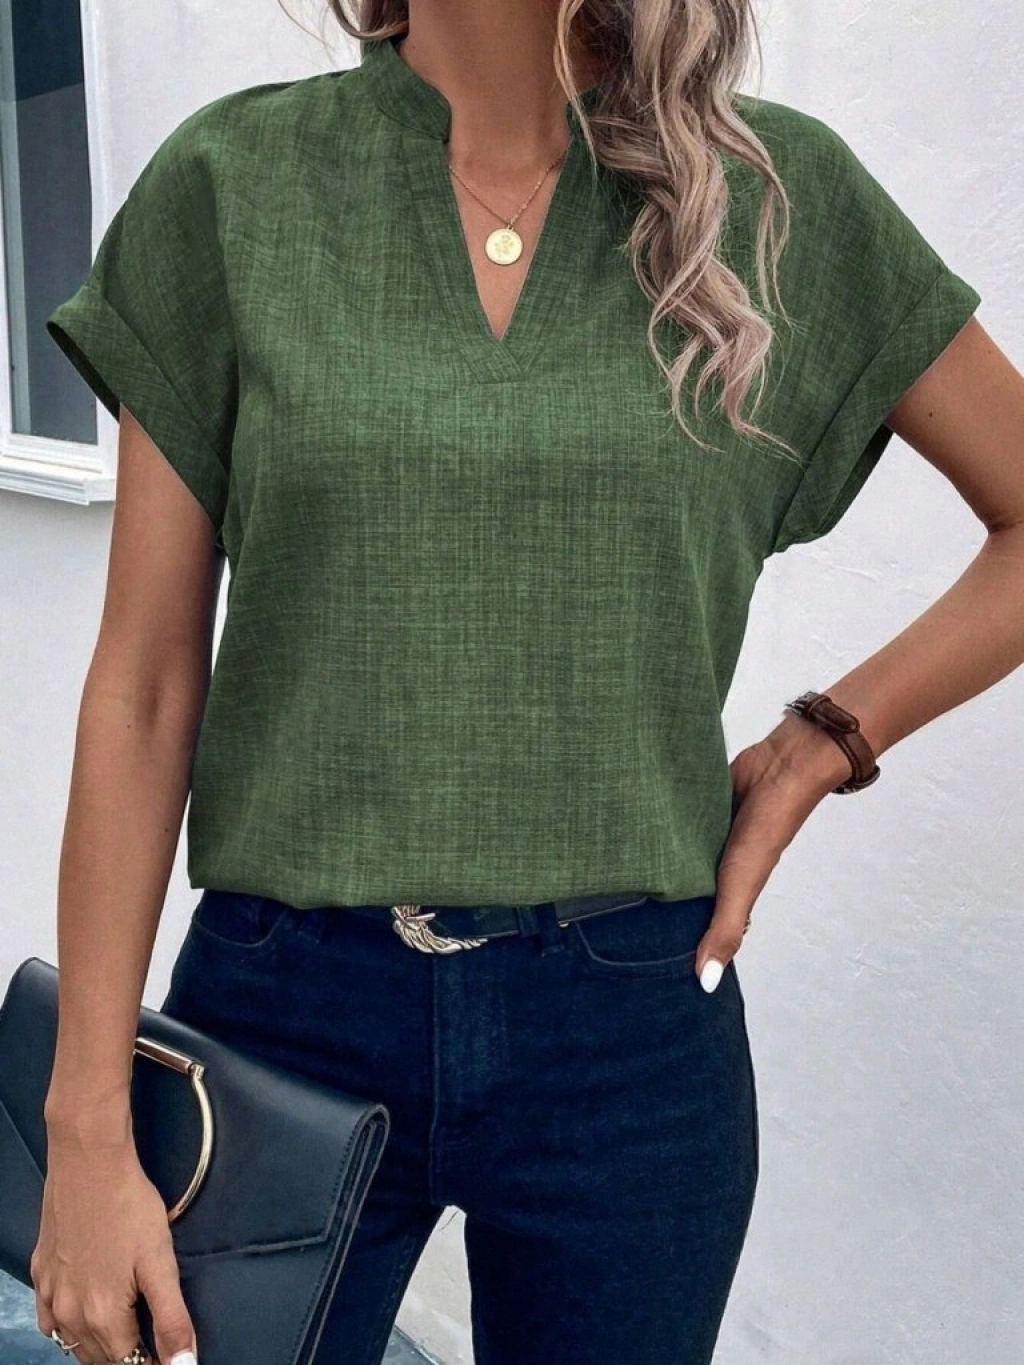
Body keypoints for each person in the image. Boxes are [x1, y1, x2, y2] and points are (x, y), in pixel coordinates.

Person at [31, 2, 1023, 1363]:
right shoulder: (234, 186)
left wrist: (820, 746)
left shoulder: (773, 199)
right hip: (281, 1013)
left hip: (629, 1035)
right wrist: (85, 1125)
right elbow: (144, 687)